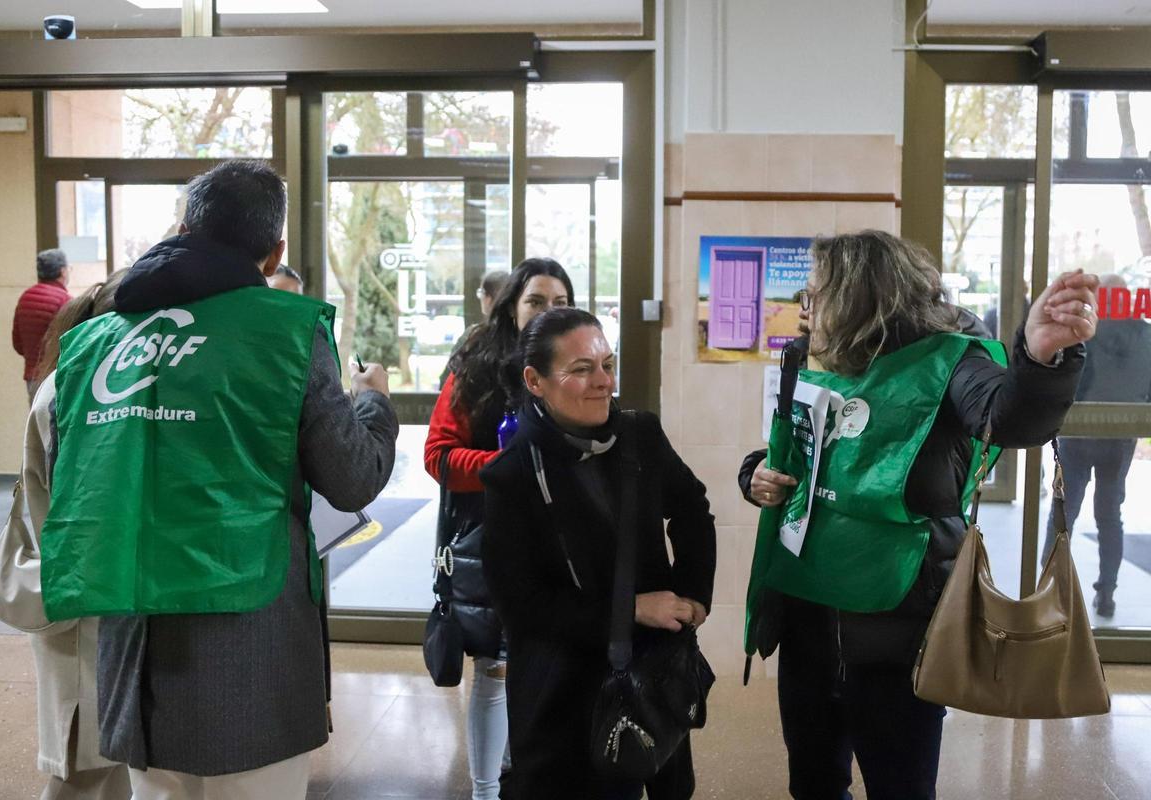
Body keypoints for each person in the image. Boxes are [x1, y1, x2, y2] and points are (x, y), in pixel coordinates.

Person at [38, 160, 399, 799]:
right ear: (274, 252)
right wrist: (373, 403)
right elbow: (351, 478)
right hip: (248, 649)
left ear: (183, 226)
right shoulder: (287, 332)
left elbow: (75, 471)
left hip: (134, 649)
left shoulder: (93, 341)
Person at [741, 230, 1097, 800]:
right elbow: (791, 453)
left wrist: (1038, 357)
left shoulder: (952, 357)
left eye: (815, 295)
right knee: (811, 780)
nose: (805, 307)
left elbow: (1010, 420)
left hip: (898, 628)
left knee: (899, 786)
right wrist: (754, 474)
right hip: (808, 617)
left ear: (859, 295)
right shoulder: (812, 357)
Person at [480, 307, 716, 799]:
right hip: (563, 697)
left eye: (607, 365)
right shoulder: (512, 475)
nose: (603, 382)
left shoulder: (640, 435)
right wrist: (629, 610)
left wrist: (694, 592)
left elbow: (693, 508)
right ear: (536, 380)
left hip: (652, 681)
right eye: (582, 370)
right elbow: (522, 609)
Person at [423, 258, 573, 800]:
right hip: (492, 541)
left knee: (548, 669)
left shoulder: (579, 363)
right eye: (537, 301)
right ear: (512, 306)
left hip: (564, 546)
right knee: (496, 672)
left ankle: (526, 774)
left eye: (560, 302)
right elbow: (438, 455)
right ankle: (486, 791)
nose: (548, 312)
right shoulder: (477, 366)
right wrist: (504, 469)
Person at [0, 272, 132, 800]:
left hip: (83, 593)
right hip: (77, 597)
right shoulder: (78, 389)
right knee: (81, 766)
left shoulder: (72, 380)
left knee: (104, 761)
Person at [1041, 273, 1151, 618]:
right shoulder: (1145, 335)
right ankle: (1107, 593)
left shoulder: (1085, 331)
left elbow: (1068, 379)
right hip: (1119, 437)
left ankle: (1049, 588)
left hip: (1077, 433)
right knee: (1109, 515)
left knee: (1064, 512)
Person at [12, 248, 71, 402]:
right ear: (63, 271)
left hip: (32, 378)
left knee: (37, 424)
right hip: (55, 378)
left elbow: (18, 344)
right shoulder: (65, 301)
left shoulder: (25, 297)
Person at [439, 269, 511, 387]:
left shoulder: (473, 336)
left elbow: (447, 380)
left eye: (481, 293)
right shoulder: (521, 336)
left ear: (488, 298)